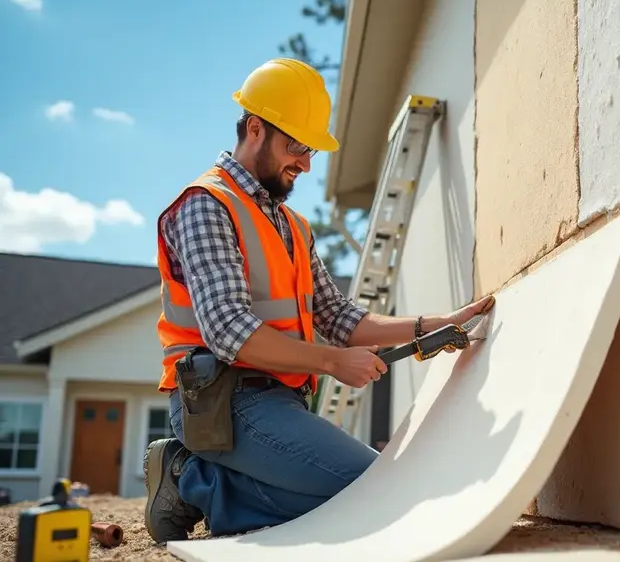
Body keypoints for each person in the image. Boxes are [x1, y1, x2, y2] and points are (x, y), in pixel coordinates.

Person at [142, 58, 493, 543]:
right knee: (377, 488)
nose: (306, 163)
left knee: (364, 494)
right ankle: (193, 480)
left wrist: (431, 325)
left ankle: (200, 485)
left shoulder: (293, 226)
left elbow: (339, 317)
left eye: (310, 150)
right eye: (297, 146)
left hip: (280, 402)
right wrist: (332, 362)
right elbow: (227, 331)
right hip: (221, 402)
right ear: (255, 129)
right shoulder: (205, 205)